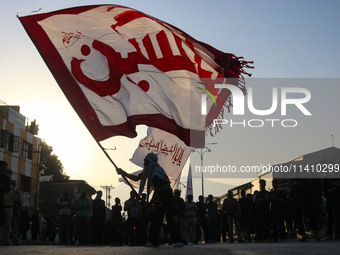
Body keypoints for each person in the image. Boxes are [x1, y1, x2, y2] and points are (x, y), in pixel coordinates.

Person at [117, 153, 183, 247]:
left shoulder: (156, 172)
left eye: (145, 160)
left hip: (167, 196)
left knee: (170, 218)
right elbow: (136, 178)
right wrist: (123, 172)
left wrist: (152, 203)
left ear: (150, 162)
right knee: (157, 219)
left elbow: (158, 191)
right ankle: (154, 241)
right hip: (161, 196)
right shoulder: (150, 171)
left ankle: (177, 240)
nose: (144, 162)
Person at [0, 161, 11, 231]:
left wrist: (2, 187)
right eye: (4, 167)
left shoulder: (6, 177)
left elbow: (7, 189)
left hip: (1, 199)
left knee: (1, 218)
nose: (5, 169)